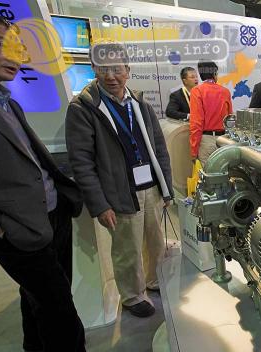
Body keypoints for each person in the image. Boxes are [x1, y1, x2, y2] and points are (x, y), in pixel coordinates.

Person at [0, 10, 96, 352]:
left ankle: (35, 344)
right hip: (14, 227)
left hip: (51, 213)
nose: (13, 54)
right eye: (0, 44)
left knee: (43, 291)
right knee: (58, 301)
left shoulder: (5, 101)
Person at [66, 41, 173, 318]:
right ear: (94, 69)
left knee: (155, 240)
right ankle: (132, 295)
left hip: (150, 186)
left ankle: (154, 280)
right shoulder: (83, 108)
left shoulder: (139, 102)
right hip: (120, 190)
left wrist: (166, 187)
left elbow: (159, 147)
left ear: (128, 69)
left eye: (117, 69)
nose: (111, 76)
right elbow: (81, 163)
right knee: (128, 247)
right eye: (103, 69)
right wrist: (99, 205)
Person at [189, 61, 233, 166]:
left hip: (206, 142)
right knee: (224, 172)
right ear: (214, 74)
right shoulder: (225, 91)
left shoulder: (197, 91)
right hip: (224, 140)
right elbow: (230, 120)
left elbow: (196, 123)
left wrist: (194, 150)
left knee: (207, 174)